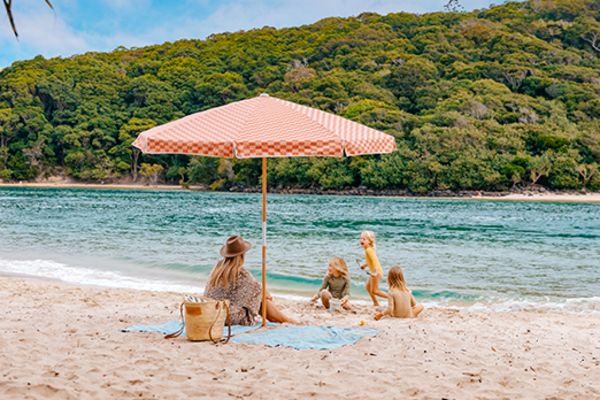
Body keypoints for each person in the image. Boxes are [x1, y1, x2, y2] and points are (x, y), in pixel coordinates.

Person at [204, 235, 297, 325]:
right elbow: (259, 289)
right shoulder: (241, 274)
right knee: (259, 296)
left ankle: (284, 319)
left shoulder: (217, 268)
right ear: (242, 254)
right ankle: (286, 320)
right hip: (228, 318)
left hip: (211, 312)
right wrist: (266, 295)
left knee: (255, 292)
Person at [358, 230, 387, 306]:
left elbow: (374, 261)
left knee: (375, 291)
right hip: (375, 272)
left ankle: (391, 298)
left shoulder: (368, 250)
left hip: (376, 272)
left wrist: (375, 272)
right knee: (368, 287)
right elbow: (370, 261)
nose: (361, 240)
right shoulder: (368, 249)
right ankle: (376, 303)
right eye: (361, 238)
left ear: (370, 241)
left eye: (364, 239)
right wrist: (364, 265)